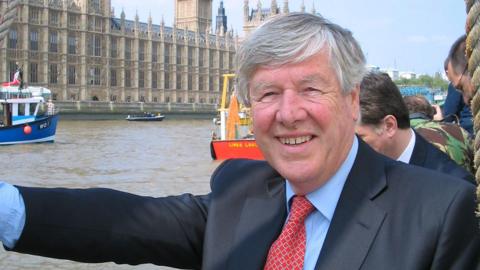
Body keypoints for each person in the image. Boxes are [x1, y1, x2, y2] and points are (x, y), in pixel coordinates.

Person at [0, 13, 478, 269]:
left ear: (353, 101)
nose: (289, 113)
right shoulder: (239, 188)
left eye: (311, 88)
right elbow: (124, 223)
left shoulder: (441, 212)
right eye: (268, 93)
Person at [355, 71, 475, 183]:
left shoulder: (451, 184)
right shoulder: (363, 173)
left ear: (389, 126)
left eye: (359, 137)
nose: (352, 146)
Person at [404, 95, 474, 174]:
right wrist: (440, 122)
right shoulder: (458, 130)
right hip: (466, 184)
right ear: (432, 112)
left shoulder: (404, 136)